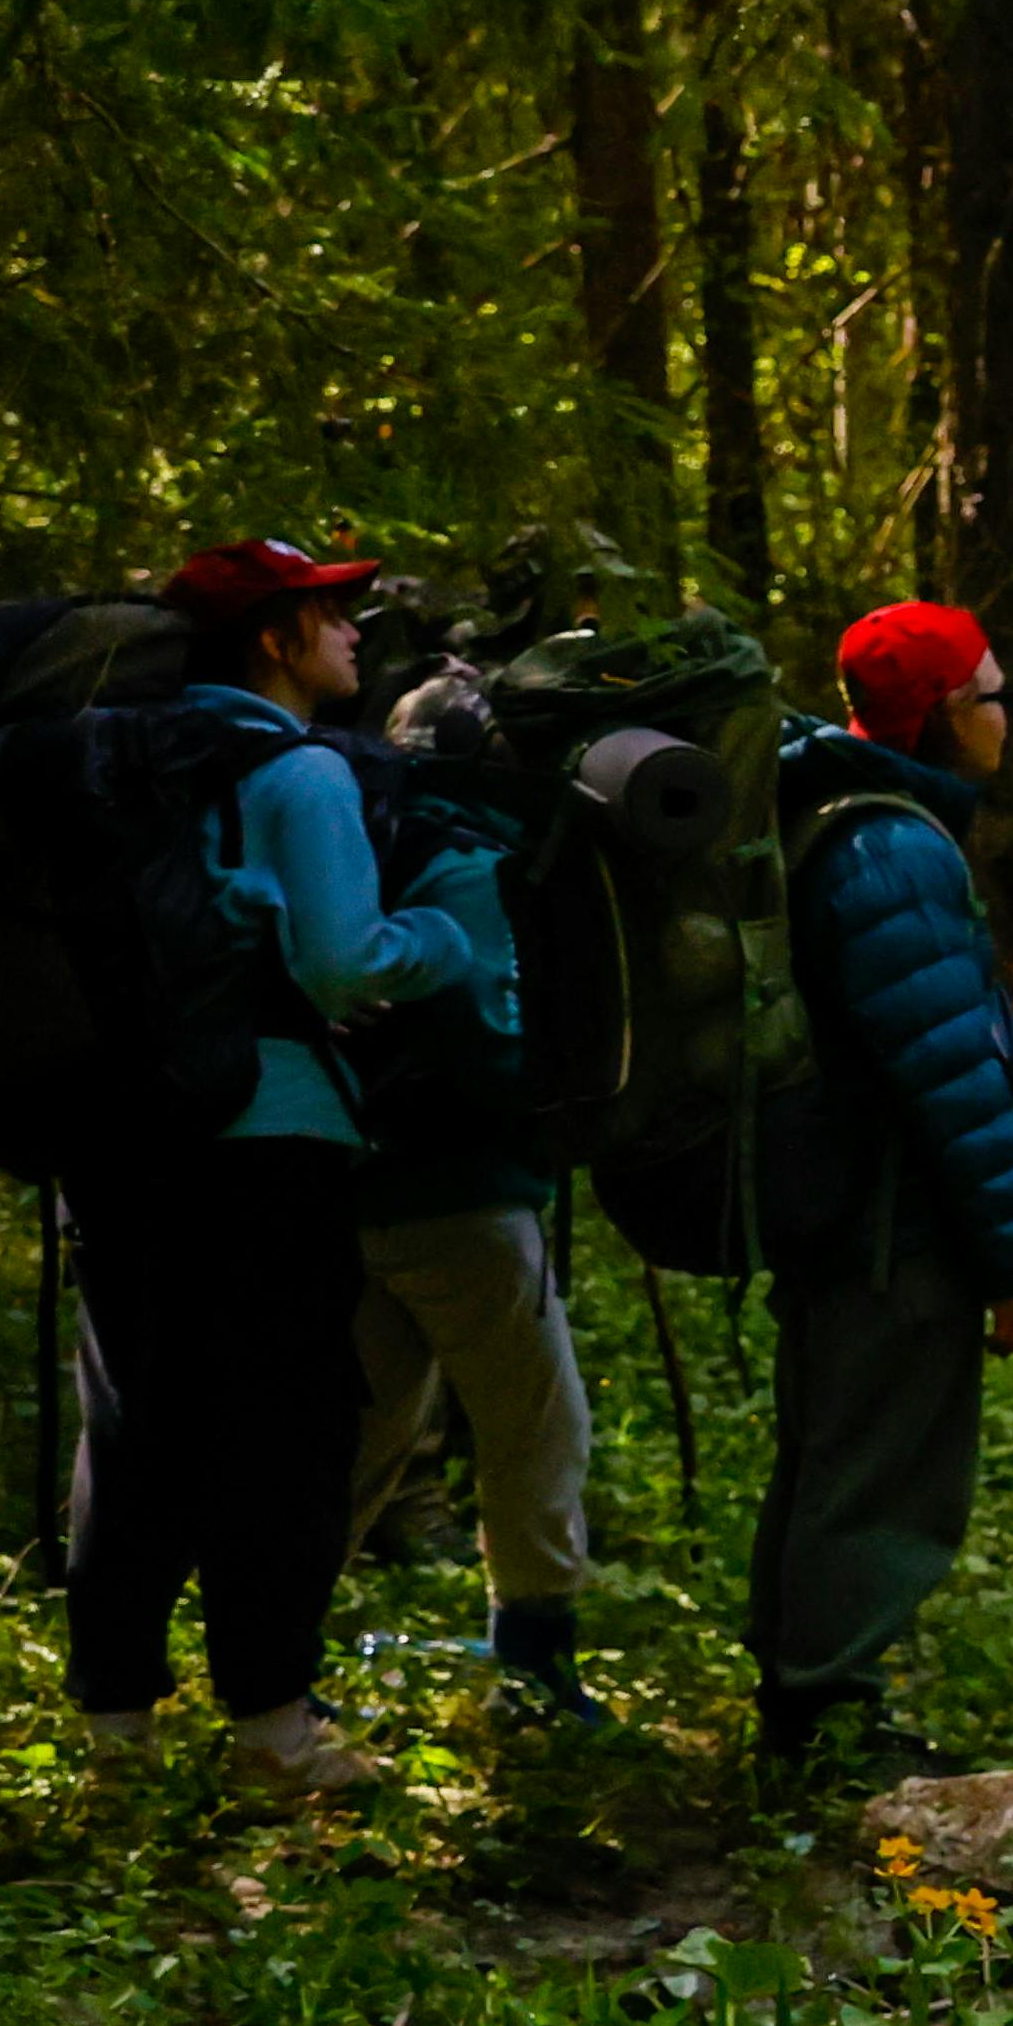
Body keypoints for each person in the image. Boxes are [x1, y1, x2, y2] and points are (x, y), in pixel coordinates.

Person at [68, 539, 496, 1802]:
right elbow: (342, 963)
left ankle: (114, 1732)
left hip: (116, 1136)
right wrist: (446, 941)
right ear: (273, 639)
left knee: (135, 1424)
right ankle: (272, 1730)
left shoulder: (117, 762)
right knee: (283, 1430)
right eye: (330, 613)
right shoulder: (300, 770)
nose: (355, 631)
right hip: (270, 1136)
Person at [755, 602, 1013, 1769]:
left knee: (832, 1452)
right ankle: (829, 1724)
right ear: (937, 715)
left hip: (844, 1213)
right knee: (877, 1474)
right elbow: (951, 1085)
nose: (1007, 716)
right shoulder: (891, 853)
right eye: (991, 695)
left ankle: (802, 1706)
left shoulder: (850, 819)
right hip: (887, 1230)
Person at [343, 562, 606, 1725]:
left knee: (368, 1427)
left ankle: (272, 1660)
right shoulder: (472, 861)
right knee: (539, 1427)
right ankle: (536, 1664)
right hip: (461, 1193)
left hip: (362, 1179)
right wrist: (558, 1106)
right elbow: (483, 1034)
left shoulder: (379, 844)